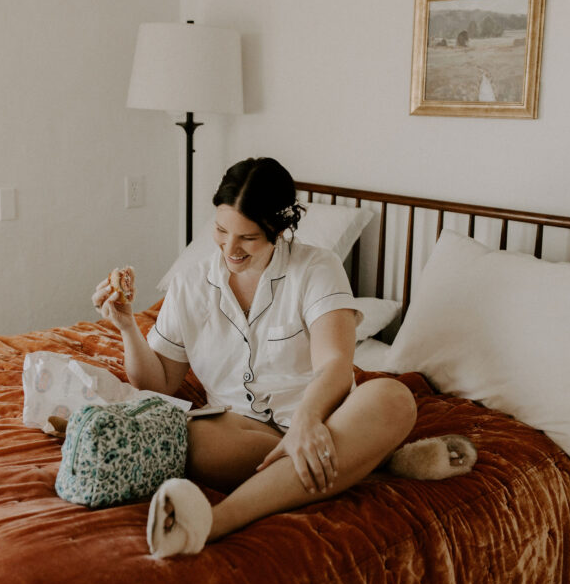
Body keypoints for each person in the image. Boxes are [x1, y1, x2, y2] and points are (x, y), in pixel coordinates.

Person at [92, 157, 418, 558]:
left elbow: (335, 364)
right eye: (221, 230)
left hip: (323, 420)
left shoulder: (317, 268)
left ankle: (216, 521)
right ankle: (367, 461)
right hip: (240, 434)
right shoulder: (190, 284)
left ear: (278, 230)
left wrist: (306, 421)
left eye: (247, 237)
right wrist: (127, 326)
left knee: (393, 397)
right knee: (186, 437)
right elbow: (157, 383)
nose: (230, 248)